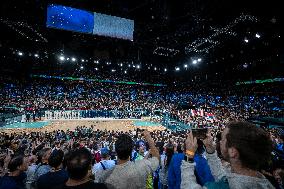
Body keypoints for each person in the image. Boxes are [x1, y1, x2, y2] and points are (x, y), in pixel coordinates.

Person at [181, 121, 275, 189]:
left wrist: (189, 155)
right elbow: (223, 177)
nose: (220, 142)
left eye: (222, 139)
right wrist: (210, 150)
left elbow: (188, 185)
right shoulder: (265, 182)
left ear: (233, 152)